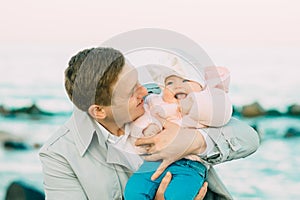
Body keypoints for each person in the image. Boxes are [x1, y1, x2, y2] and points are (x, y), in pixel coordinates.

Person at [39, 47, 260, 200]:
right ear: (99, 111)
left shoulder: (161, 100)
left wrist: (193, 141)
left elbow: (248, 138)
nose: (144, 91)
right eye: (131, 91)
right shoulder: (59, 154)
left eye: (137, 81)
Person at [124, 59, 232, 199]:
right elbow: (145, 117)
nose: (177, 86)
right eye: (170, 83)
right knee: (133, 191)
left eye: (185, 81)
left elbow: (220, 113)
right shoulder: (157, 102)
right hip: (155, 162)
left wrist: (192, 103)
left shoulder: (205, 103)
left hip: (190, 166)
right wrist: (149, 128)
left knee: (177, 195)